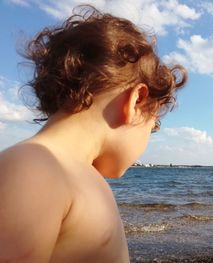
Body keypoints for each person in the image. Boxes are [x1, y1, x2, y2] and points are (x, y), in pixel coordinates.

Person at [0, 5, 187, 262]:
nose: (148, 138)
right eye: (153, 127)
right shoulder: (36, 168)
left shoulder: (73, 174)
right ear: (136, 102)